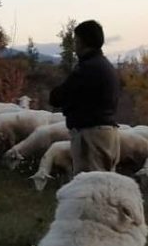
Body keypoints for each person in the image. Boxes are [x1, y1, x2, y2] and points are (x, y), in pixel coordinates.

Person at [49, 20, 121, 173]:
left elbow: (58, 97)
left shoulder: (87, 69)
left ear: (82, 42)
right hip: (108, 133)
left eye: (76, 40)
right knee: (103, 183)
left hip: (91, 135)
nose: (75, 45)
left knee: (89, 186)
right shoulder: (105, 66)